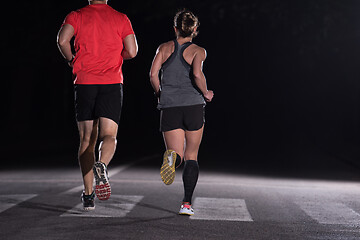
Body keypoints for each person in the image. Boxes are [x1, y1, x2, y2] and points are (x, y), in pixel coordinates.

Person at [57, 0, 138, 210]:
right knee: (109, 135)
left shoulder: (76, 15)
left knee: (86, 140)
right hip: (112, 81)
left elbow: (62, 40)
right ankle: (102, 164)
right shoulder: (120, 18)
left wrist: (71, 60)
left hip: (84, 82)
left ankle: (88, 195)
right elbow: (132, 50)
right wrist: (117, 56)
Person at [149, 9, 214, 216]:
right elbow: (196, 74)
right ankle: (186, 203)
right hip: (193, 106)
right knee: (191, 155)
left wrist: (160, 93)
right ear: (195, 29)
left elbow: (152, 74)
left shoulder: (164, 48)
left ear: (175, 28)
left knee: (176, 153)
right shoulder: (199, 51)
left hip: (170, 106)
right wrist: (206, 92)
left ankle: (171, 160)